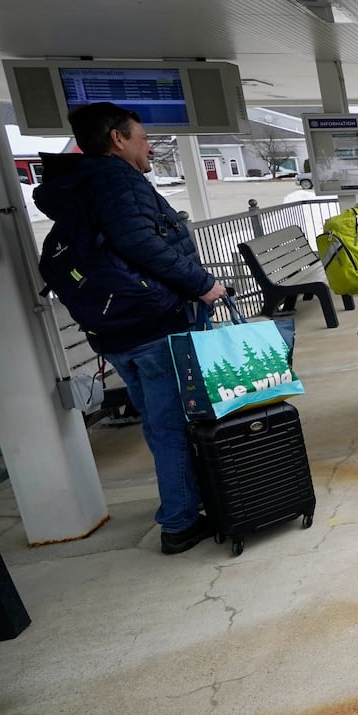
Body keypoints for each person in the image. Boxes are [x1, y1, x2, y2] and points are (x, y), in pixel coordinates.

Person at [33, 102, 228, 554]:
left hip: (117, 332)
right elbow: (139, 242)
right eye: (142, 139)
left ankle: (188, 501)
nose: (148, 149)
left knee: (161, 424)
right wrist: (203, 285)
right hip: (155, 328)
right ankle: (179, 521)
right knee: (172, 427)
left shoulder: (78, 186)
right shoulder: (116, 179)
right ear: (117, 139)